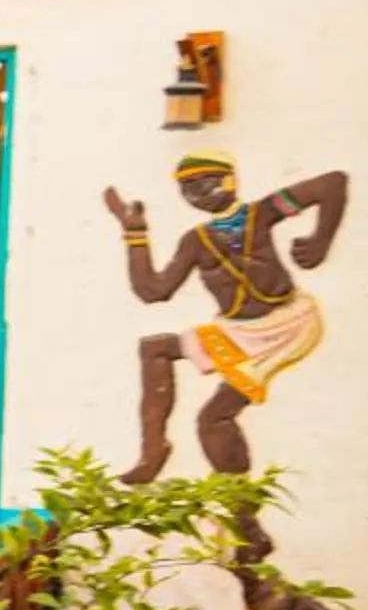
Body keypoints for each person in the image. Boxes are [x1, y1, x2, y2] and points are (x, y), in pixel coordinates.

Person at [103, 152, 347, 554]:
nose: (199, 193)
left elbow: (332, 183)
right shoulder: (196, 242)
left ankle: (247, 525)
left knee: (212, 419)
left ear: (231, 180)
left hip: (286, 325)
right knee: (155, 350)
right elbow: (153, 290)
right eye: (188, 188)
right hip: (237, 330)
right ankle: (153, 451)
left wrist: (321, 241)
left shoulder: (262, 214)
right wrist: (135, 234)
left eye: (207, 182)